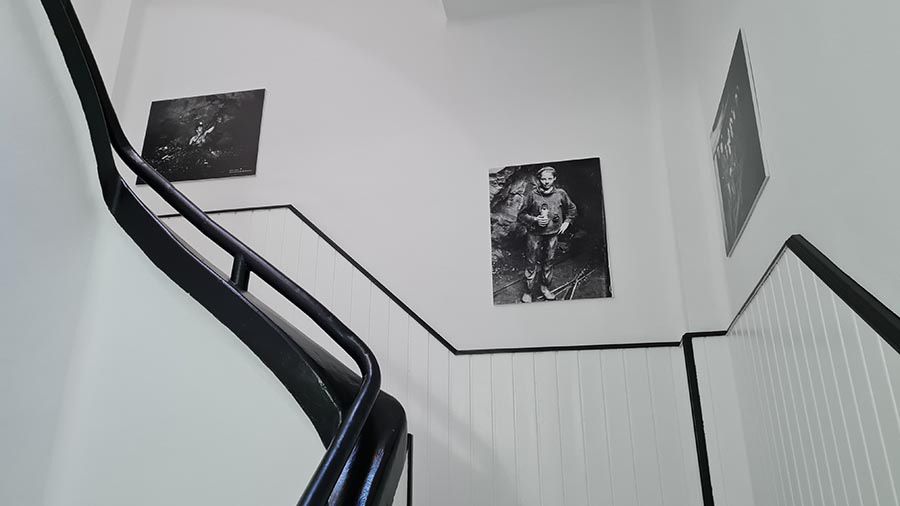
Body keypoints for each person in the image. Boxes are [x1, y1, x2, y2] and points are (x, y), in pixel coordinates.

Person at [517, 166, 577, 303]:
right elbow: (521, 215)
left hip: (552, 234)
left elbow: (572, 208)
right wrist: (535, 219)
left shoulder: (560, 194)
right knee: (531, 261)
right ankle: (528, 291)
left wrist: (567, 221)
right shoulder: (532, 194)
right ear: (539, 179)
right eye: (543, 179)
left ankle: (545, 288)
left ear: (554, 178)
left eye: (550, 178)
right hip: (534, 233)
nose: (546, 182)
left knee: (549, 261)